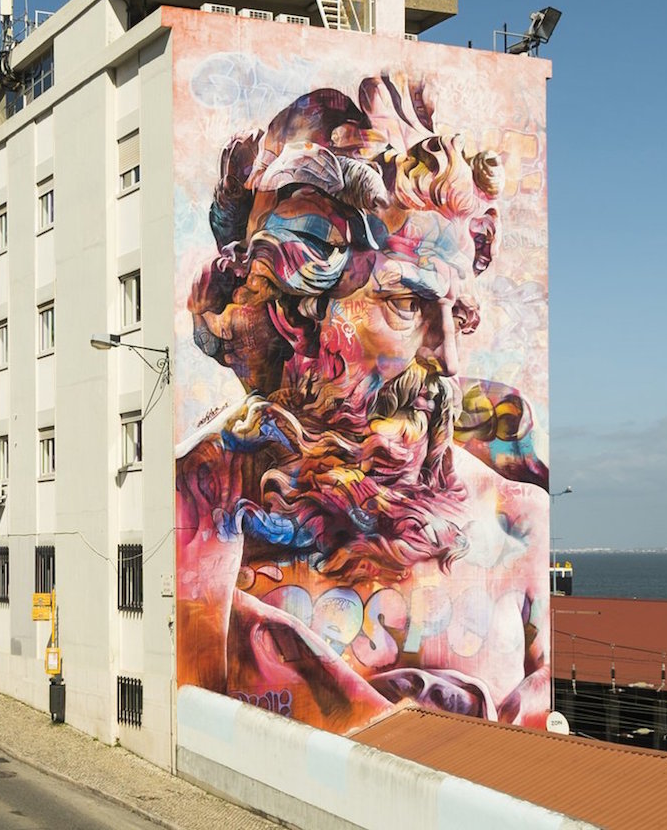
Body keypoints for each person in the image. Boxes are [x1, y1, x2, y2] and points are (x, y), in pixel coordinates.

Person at [176, 73, 550, 733]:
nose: (448, 359)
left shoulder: (519, 525)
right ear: (297, 311)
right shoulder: (200, 511)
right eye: (406, 304)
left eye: (455, 315)